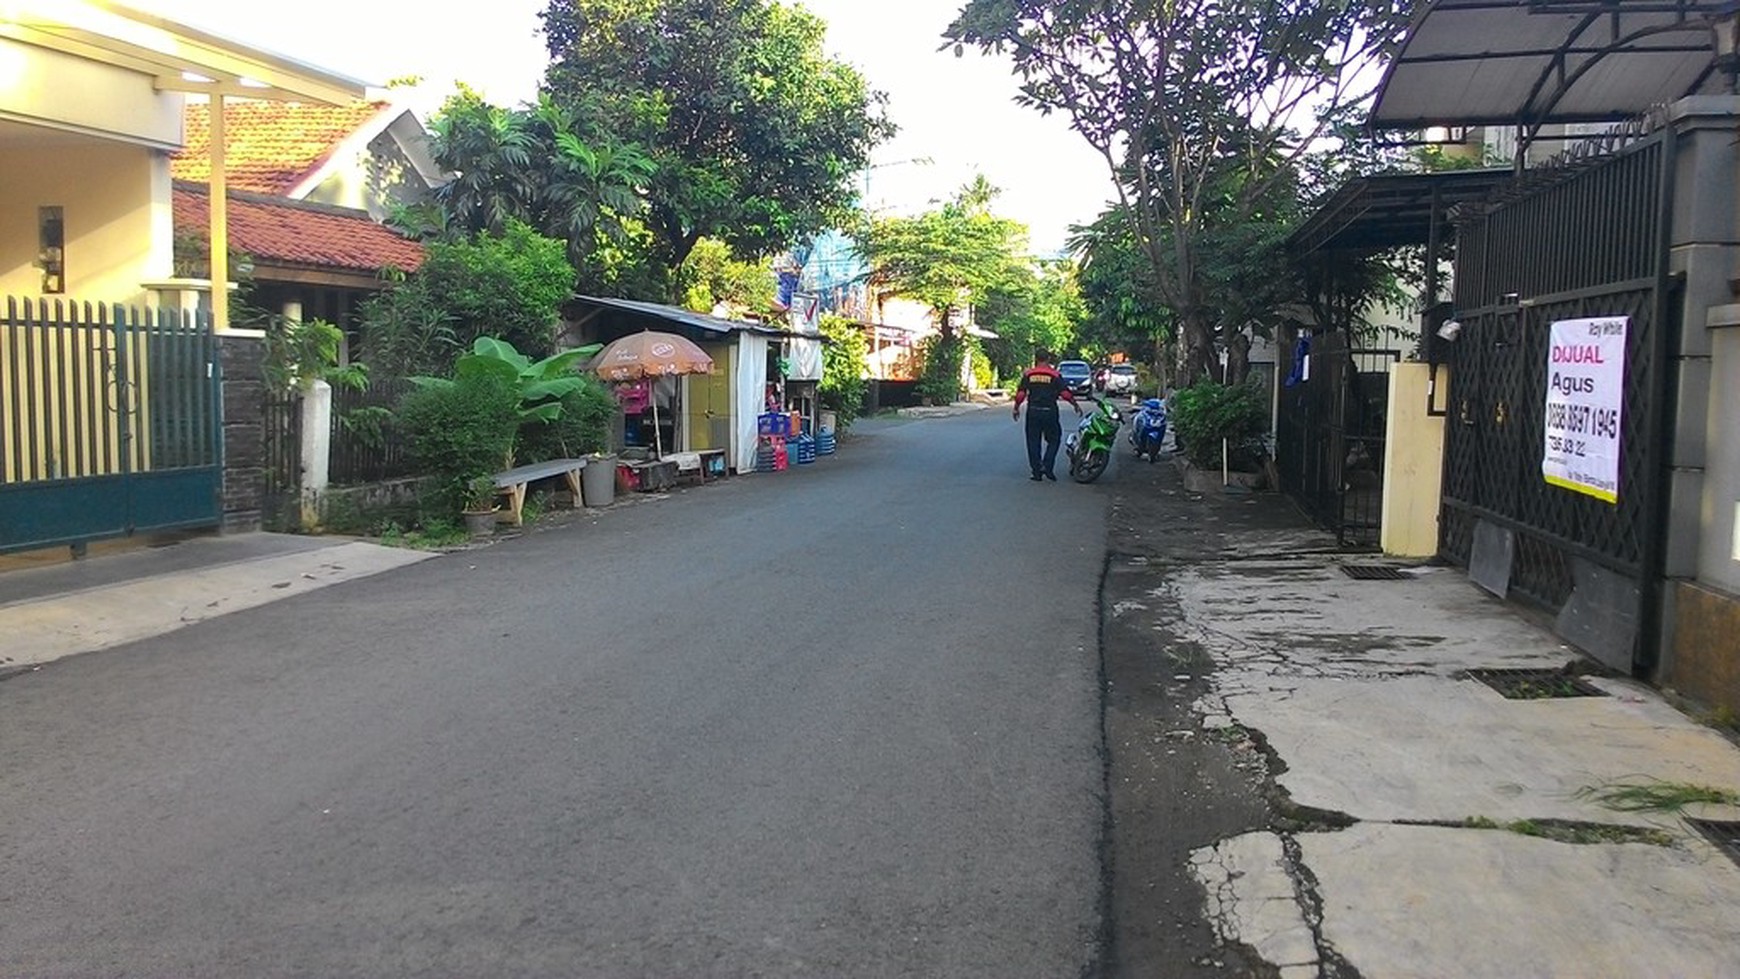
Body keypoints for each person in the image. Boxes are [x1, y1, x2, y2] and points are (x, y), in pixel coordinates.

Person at [1012, 350, 1081, 480]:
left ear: (1036, 359)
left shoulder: (1029, 374)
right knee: (1054, 439)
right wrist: (1074, 404)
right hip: (1050, 411)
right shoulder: (1055, 375)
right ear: (1048, 359)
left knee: (1033, 441)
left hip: (1033, 411)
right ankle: (1047, 465)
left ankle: (1036, 472)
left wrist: (1016, 408)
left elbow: (1021, 393)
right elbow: (1065, 393)